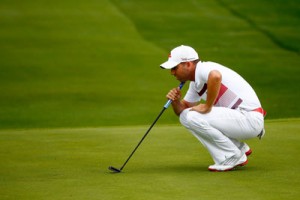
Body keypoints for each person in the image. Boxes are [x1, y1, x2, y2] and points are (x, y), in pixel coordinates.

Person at [160, 45, 266, 172]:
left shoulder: (205, 69)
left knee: (193, 116)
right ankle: (239, 148)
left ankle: (232, 155)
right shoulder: (195, 83)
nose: (172, 72)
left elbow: (215, 76)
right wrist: (175, 101)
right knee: (186, 117)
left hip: (249, 118)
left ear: (188, 64)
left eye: (174, 68)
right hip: (242, 119)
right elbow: (182, 111)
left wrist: (207, 106)